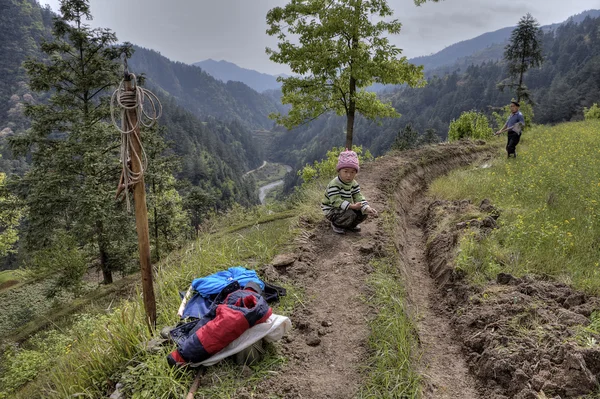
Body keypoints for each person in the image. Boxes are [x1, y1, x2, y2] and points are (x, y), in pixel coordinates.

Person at [321, 149, 378, 234]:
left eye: (352, 172)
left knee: (363, 212)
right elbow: (336, 201)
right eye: (346, 171)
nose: (349, 175)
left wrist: (366, 207)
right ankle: (337, 224)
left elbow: (358, 196)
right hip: (332, 210)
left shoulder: (353, 183)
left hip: (346, 207)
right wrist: (352, 206)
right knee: (350, 213)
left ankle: (351, 224)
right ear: (339, 171)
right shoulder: (334, 184)